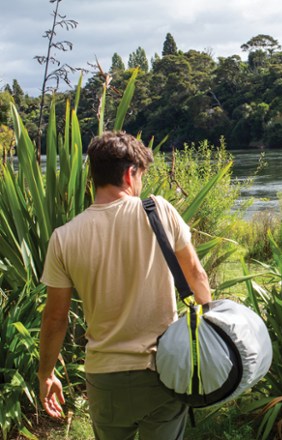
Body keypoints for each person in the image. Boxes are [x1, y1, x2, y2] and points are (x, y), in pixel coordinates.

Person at [38, 131, 212, 440]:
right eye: (141, 175)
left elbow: (54, 319)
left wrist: (46, 374)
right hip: (161, 370)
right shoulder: (158, 210)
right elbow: (196, 276)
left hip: (104, 378)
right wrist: (209, 335)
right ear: (130, 173)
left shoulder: (63, 237)